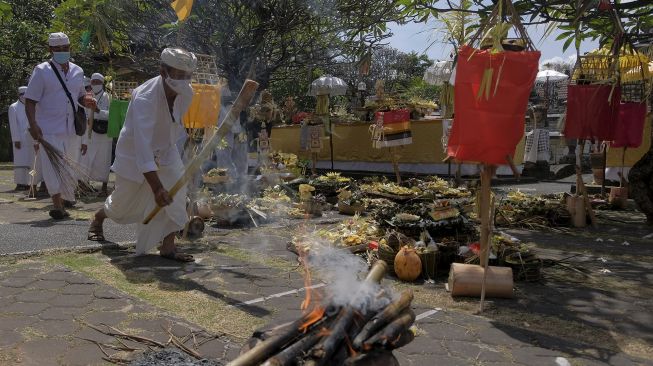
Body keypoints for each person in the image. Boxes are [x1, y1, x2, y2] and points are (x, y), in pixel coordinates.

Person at [87, 47, 197, 262]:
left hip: (166, 151)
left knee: (176, 193)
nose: (184, 80)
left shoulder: (187, 92)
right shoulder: (145, 98)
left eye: (188, 76)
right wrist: (156, 187)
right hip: (134, 152)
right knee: (122, 204)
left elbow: (175, 126)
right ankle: (99, 217)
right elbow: (143, 147)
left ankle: (168, 246)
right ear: (163, 71)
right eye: (178, 74)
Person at [24, 32, 95, 219]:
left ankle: (64, 200)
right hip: (48, 128)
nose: (63, 52)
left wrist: (88, 100)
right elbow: (30, 100)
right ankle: (56, 204)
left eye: (66, 48)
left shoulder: (78, 71)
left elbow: (79, 95)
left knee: (70, 166)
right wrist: (33, 124)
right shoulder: (41, 71)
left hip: (71, 128)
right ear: (51, 50)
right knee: (52, 166)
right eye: (58, 49)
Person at [81, 73, 112, 196]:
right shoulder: (87, 96)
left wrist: (98, 110)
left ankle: (104, 188)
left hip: (104, 133)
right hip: (90, 132)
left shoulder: (108, 96)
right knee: (88, 158)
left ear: (102, 83)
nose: (95, 84)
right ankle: (85, 184)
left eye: (97, 82)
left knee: (103, 159)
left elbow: (112, 115)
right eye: (93, 82)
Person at [8, 86, 40, 191]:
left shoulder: (33, 106)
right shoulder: (14, 107)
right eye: (22, 94)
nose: (24, 97)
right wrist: (16, 139)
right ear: (19, 95)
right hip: (20, 140)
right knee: (21, 162)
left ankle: (31, 182)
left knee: (31, 162)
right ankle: (20, 182)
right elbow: (13, 125)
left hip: (31, 138)